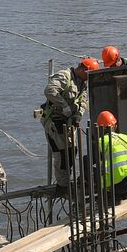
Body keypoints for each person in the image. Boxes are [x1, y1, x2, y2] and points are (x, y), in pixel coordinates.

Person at [39, 57, 99, 189]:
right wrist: (64, 106)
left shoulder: (83, 82)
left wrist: (78, 115)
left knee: (72, 152)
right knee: (62, 155)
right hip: (55, 122)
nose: (89, 78)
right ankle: (63, 185)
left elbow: (83, 100)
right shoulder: (65, 76)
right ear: (83, 69)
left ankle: (66, 181)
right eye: (88, 75)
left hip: (70, 122)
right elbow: (49, 90)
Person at [94, 110, 127, 199]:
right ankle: (124, 193)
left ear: (99, 129)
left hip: (120, 186)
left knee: (88, 162)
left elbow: (94, 162)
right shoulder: (126, 137)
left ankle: (112, 194)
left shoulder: (101, 142)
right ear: (115, 127)